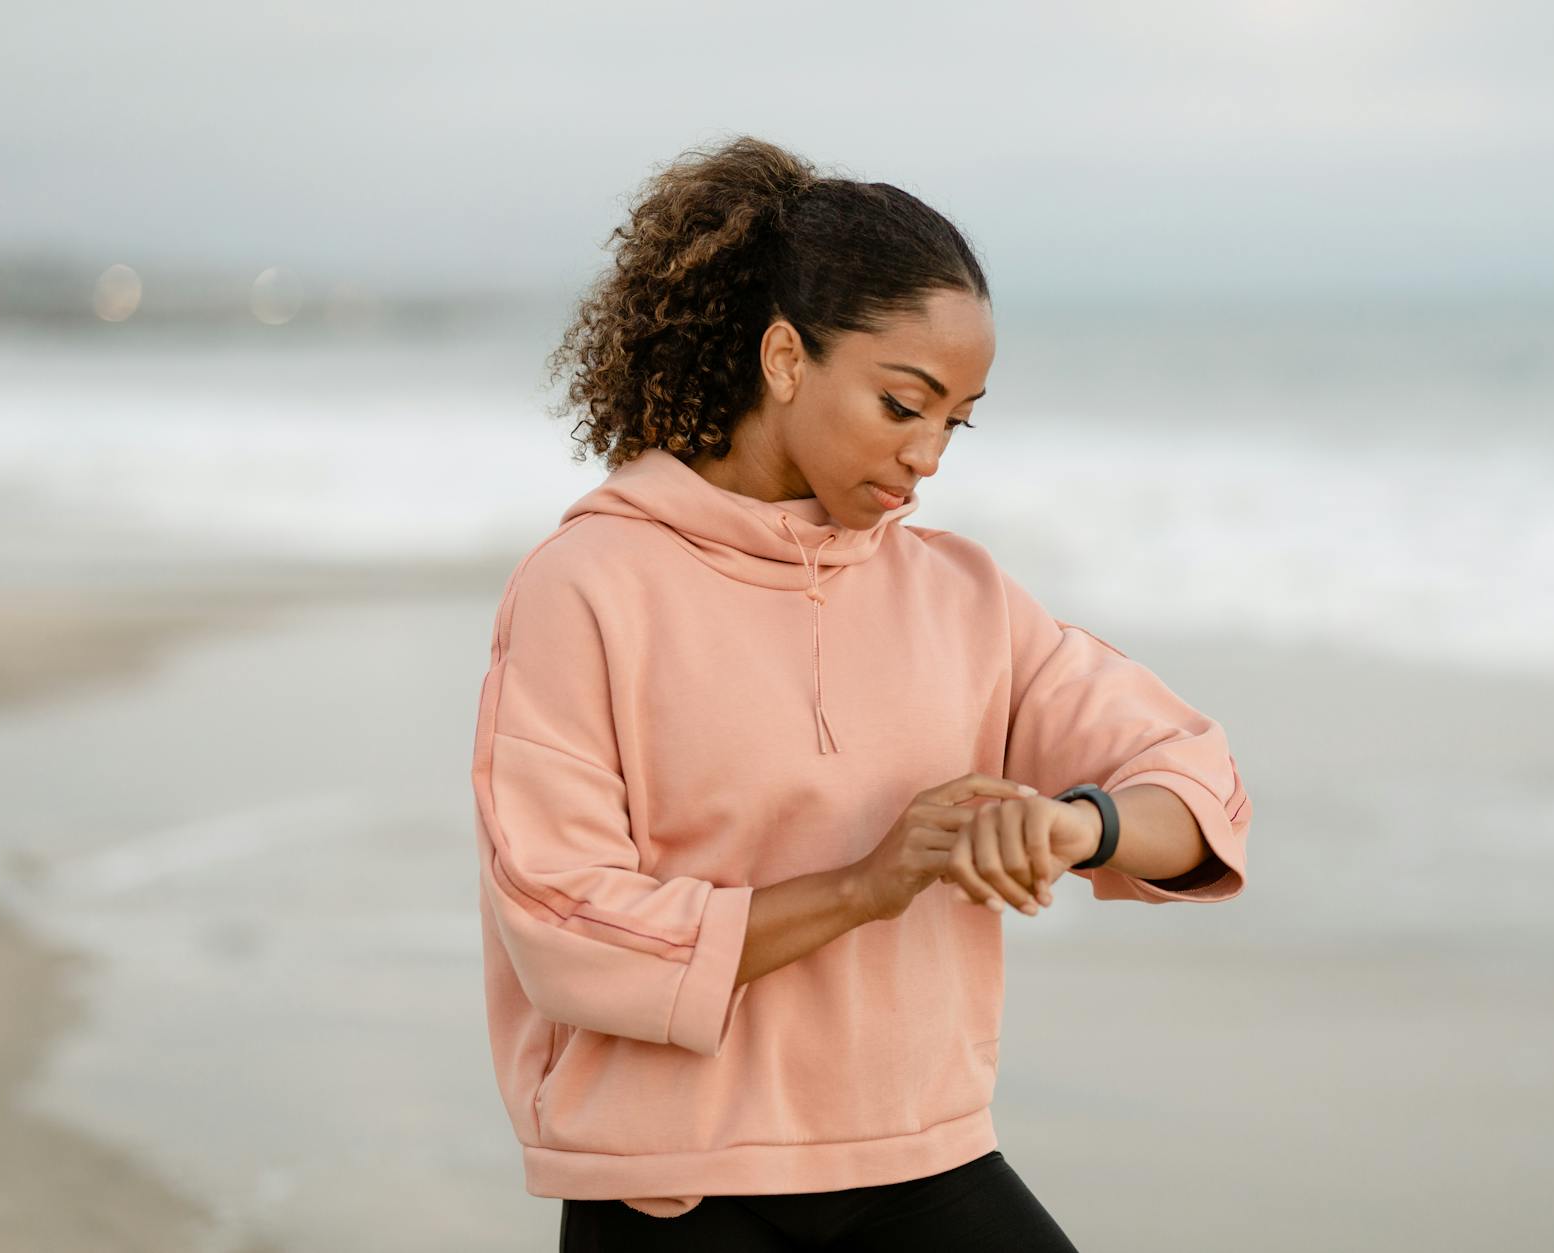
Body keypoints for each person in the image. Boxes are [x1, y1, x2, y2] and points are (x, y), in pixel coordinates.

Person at [470, 134, 1253, 1252]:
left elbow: (1198, 780)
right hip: (681, 1187)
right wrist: (865, 884)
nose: (929, 454)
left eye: (957, 419)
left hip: (926, 1157)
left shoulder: (962, 595)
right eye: (902, 404)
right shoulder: (587, 585)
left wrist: (1075, 824)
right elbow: (564, 925)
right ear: (784, 357)